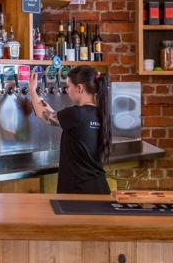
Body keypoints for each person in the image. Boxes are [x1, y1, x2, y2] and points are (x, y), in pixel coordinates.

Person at [29, 65, 111, 194]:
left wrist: (32, 91)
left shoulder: (76, 113)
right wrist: (48, 108)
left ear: (80, 88)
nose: (67, 90)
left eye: (69, 86)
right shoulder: (100, 113)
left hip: (78, 193)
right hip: (99, 188)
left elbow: (42, 115)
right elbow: (56, 117)